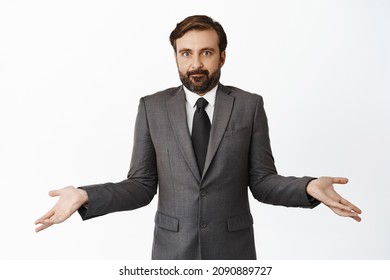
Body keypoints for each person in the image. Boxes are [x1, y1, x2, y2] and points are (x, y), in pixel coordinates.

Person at [35, 15, 362, 260]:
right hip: (171, 252)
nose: (196, 63)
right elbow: (141, 185)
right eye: (186, 53)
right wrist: (84, 195)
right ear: (175, 56)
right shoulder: (152, 107)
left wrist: (307, 187)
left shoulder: (249, 105)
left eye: (206, 53)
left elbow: (262, 181)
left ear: (222, 56)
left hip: (233, 252)